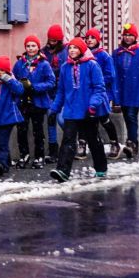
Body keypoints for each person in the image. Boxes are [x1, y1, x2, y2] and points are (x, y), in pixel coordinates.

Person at [49, 38, 109, 182]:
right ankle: (63, 170)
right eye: (70, 48)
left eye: (76, 48)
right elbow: (61, 92)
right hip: (71, 110)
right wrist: (54, 110)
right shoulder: (65, 67)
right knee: (68, 140)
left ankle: (101, 167)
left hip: (88, 110)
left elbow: (99, 88)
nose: (72, 51)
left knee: (93, 140)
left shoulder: (92, 65)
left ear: (81, 50)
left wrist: (93, 105)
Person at [112, 22, 139, 158]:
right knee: (126, 116)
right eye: (126, 35)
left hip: (136, 91)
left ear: (135, 37)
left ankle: (132, 143)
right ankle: (131, 141)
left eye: (131, 35)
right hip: (122, 90)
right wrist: (114, 92)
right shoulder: (116, 53)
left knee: (131, 116)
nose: (128, 38)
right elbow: (113, 73)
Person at [13, 35, 55, 169]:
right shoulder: (20, 63)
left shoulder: (44, 63)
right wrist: (20, 87)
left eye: (33, 46)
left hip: (38, 102)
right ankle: (24, 155)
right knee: (22, 129)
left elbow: (51, 82)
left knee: (38, 130)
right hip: (23, 102)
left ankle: (39, 156)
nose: (31, 49)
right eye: (28, 46)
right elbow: (13, 79)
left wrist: (35, 87)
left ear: (38, 47)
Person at [0, 56, 24, 177]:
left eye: (2, 70)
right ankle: (6, 163)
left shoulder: (11, 82)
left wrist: (9, 79)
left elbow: (20, 90)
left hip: (7, 117)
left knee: (2, 142)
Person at [84, 28, 122, 159]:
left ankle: (114, 143)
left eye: (92, 38)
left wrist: (96, 83)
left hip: (102, 93)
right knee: (86, 119)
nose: (89, 40)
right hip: (87, 94)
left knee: (104, 119)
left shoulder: (104, 56)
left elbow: (110, 75)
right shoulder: (83, 55)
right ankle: (84, 144)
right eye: (87, 37)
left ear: (98, 40)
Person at [41, 24, 68, 163]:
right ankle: (53, 150)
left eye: (54, 40)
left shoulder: (67, 51)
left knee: (62, 119)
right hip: (48, 91)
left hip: (63, 91)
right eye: (50, 39)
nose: (51, 42)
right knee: (51, 119)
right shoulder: (43, 52)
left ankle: (71, 141)